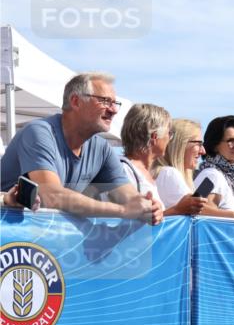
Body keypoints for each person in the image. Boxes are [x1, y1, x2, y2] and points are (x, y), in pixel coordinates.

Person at [0, 72, 161, 223]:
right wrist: (122, 210)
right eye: (105, 101)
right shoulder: (39, 132)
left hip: (41, 241)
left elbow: (129, 197)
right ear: (76, 101)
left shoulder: (101, 148)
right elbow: (52, 195)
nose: (114, 110)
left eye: (115, 103)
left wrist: (148, 207)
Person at [118, 104, 206, 217]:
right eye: (169, 134)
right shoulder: (124, 170)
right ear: (154, 137)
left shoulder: (142, 172)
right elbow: (130, 224)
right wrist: (177, 210)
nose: (170, 139)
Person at [193, 115, 234, 223]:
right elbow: (195, 208)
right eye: (231, 141)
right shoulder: (211, 175)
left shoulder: (221, 174)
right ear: (215, 145)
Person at [155, 118, 203, 209]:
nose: (203, 151)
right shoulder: (169, 173)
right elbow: (193, 214)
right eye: (198, 144)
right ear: (180, 144)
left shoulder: (163, 173)